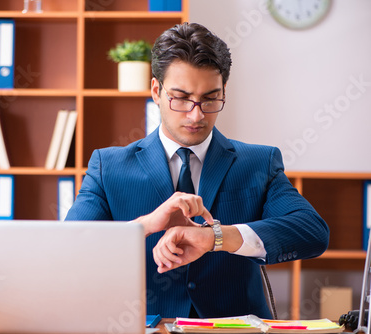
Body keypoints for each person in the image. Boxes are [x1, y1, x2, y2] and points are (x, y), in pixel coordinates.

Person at [65, 22, 329, 319]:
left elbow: (312, 231)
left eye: (210, 98)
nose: (196, 114)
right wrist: (146, 225)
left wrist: (216, 237)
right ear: (156, 90)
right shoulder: (108, 166)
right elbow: (70, 252)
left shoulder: (258, 162)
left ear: (223, 92)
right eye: (181, 98)